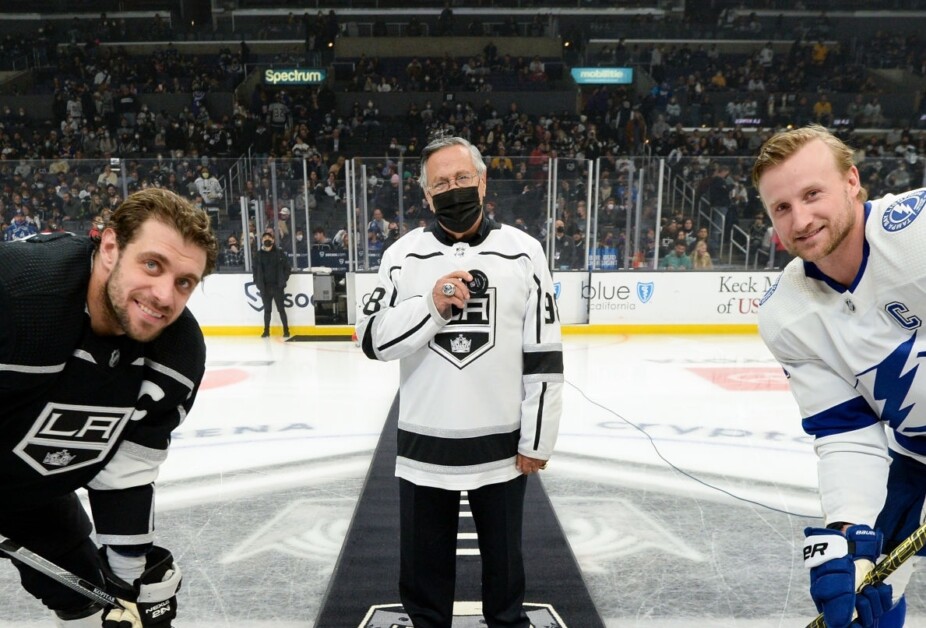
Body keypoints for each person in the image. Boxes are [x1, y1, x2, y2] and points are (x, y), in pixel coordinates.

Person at [355, 136, 563, 628]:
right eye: (441, 183)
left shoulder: (523, 252)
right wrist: (430, 304)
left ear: (483, 181)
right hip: (426, 447)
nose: (453, 189)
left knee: (506, 576)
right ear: (426, 196)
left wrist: (539, 439)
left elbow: (545, 356)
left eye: (462, 178)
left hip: (503, 446)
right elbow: (371, 339)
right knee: (424, 586)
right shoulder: (402, 256)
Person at [0, 187, 217, 626]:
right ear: (111, 246)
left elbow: (127, 473)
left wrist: (129, 581)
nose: (163, 296)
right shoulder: (18, 292)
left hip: (32, 490)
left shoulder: (177, 358)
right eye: (152, 264)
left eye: (183, 282)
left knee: (84, 593)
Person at [752, 124, 921, 628]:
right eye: (781, 208)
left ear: (852, 182)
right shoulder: (786, 314)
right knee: (866, 604)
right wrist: (849, 531)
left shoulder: (917, 232)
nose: (800, 219)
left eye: (812, 194)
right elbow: (847, 435)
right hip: (913, 459)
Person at [253, 231, 291, 338]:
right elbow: (255, 270)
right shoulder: (259, 255)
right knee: (267, 310)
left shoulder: (279, 253)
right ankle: (266, 331)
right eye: (264, 239)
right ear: (262, 241)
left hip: (277, 287)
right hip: (264, 287)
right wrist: (257, 282)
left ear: (273, 240)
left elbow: (287, 268)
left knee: (281, 309)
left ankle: (286, 330)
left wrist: (283, 279)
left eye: (269, 239)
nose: (267, 240)